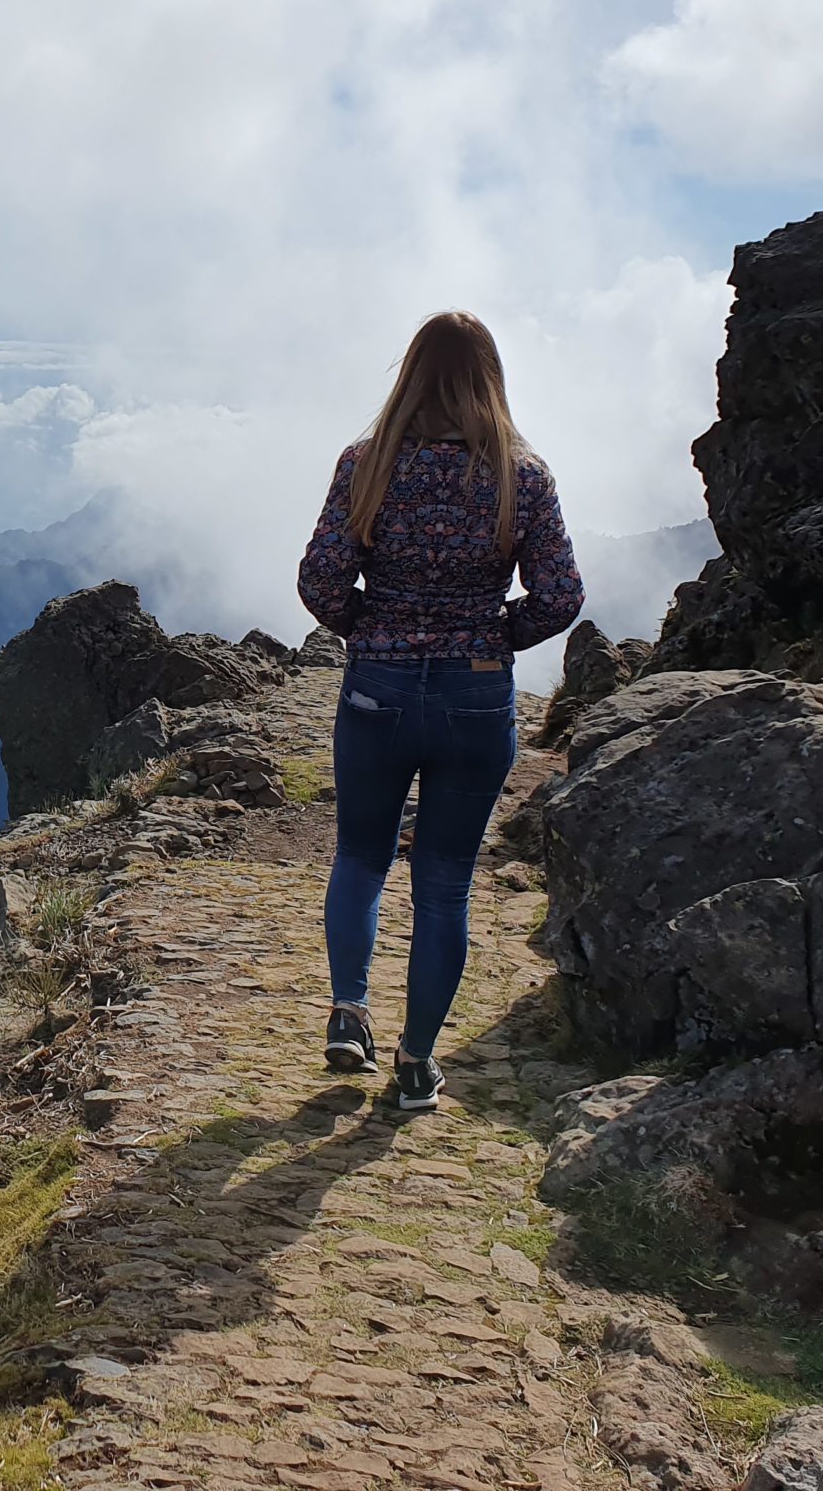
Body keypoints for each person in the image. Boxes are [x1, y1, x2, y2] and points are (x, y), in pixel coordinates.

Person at [296, 311, 584, 1111]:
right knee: (446, 883)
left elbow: (320, 579)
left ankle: (349, 1010)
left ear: (411, 373)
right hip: (476, 693)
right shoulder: (522, 476)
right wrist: (495, 637)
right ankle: (416, 1064)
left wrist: (375, 632)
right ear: (490, 376)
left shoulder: (367, 465)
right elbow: (560, 596)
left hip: (376, 688)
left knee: (360, 856)